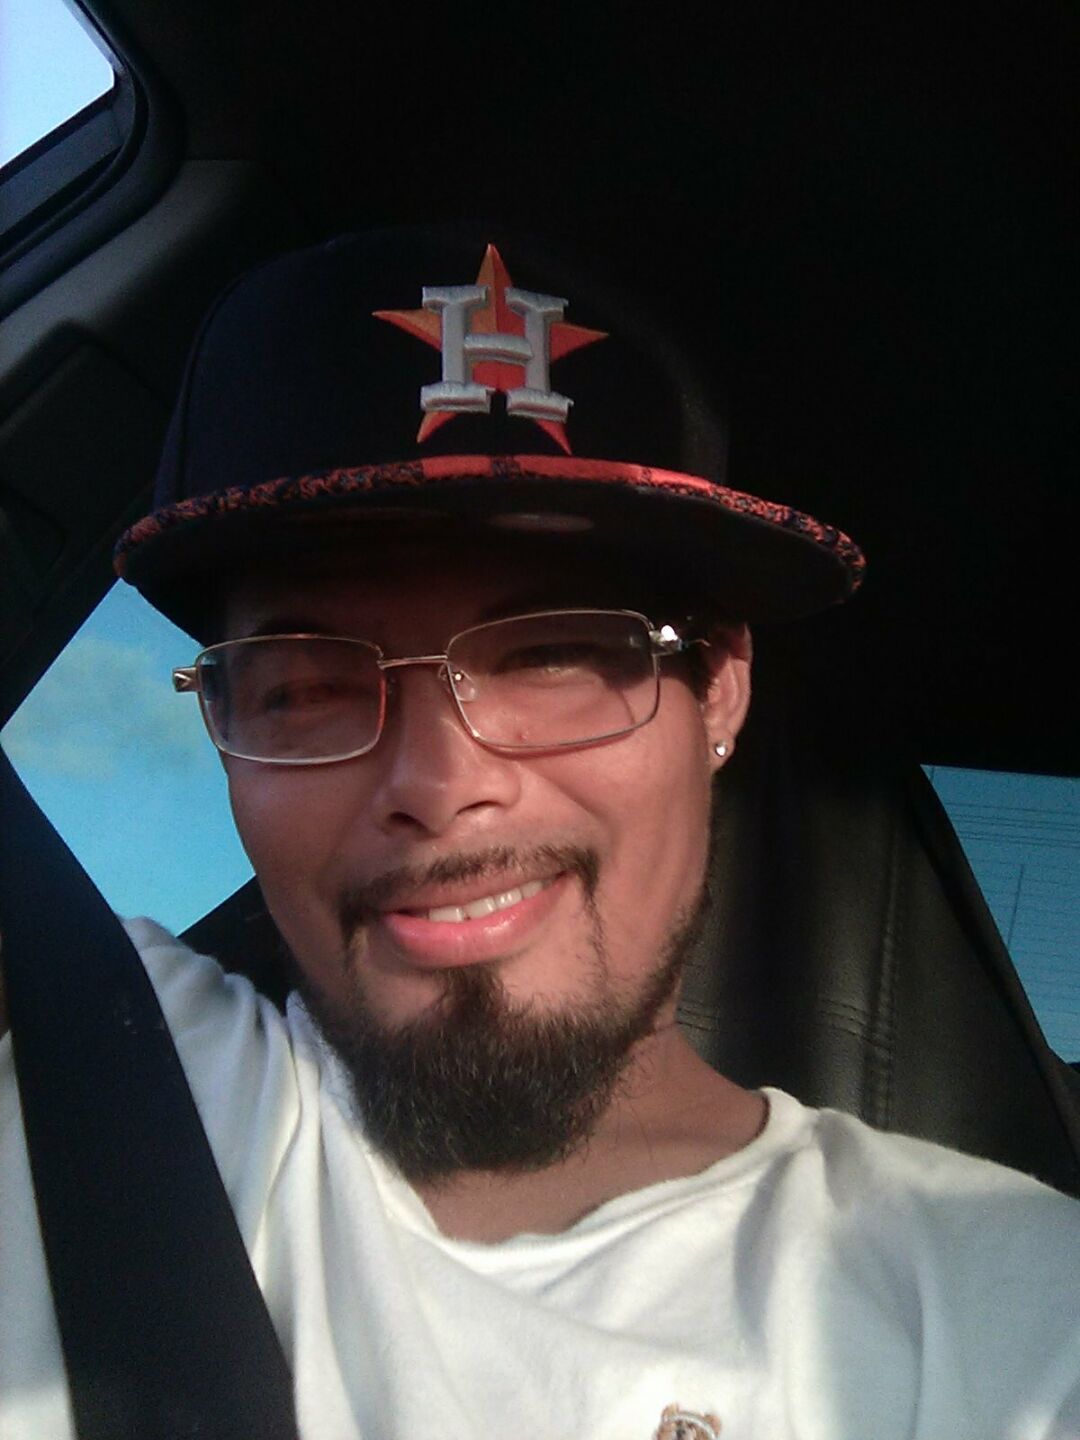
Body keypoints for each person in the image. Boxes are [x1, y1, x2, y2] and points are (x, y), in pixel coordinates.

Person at [2, 227, 1079, 1439]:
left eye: (558, 652)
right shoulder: (89, 1080)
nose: (439, 782)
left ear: (720, 690)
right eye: (305, 686)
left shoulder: (1016, 1311)